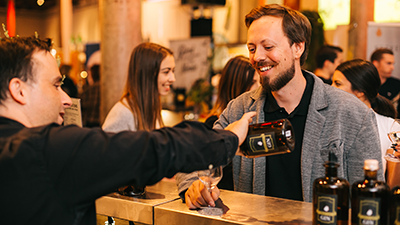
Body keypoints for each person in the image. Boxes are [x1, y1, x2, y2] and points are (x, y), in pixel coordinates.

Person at [0, 36, 255, 225]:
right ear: (19, 90)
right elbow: (154, 148)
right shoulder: (44, 149)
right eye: (56, 85)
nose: (66, 99)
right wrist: (228, 138)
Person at [176, 4, 382, 209]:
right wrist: (193, 185)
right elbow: (196, 157)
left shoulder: (352, 114)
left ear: (298, 48)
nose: (257, 57)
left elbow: (370, 201)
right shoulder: (239, 109)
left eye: (268, 47)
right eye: (252, 48)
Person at [102, 42, 176, 193]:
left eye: (173, 71)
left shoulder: (150, 108)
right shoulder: (124, 113)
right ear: (148, 73)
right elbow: (105, 166)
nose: (172, 78)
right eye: (166, 71)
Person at [201, 55, 260, 191]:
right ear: (236, 85)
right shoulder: (215, 124)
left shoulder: (254, 119)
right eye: (252, 82)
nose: (258, 88)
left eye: (259, 82)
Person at [332, 59, 399, 172]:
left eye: (337, 83)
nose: (331, 87)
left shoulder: (391, 128)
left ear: (360, 91)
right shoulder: (331, 122)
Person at [371, 48, 400, 117]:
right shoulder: (365, 84)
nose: (392, 67)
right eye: (388, 63)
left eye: (393, 64)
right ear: (376, 63)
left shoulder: (397, 85)